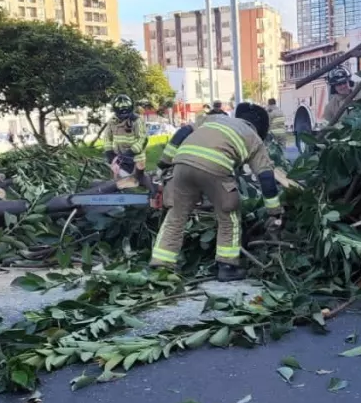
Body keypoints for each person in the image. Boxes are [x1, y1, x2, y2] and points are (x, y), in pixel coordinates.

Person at [150, 102, 282, 282]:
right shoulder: (254, 139)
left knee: (176, 215)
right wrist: (274, 212)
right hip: (216, 168)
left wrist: (164, 162)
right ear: (260, 129)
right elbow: (266, 177)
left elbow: (181, 133)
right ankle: (227, 267)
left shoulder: (214, 118)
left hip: (182, 164)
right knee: (230, 215)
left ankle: (161, 264)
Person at [103, 94, 147, 177]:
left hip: (136, 158)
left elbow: (143, 139)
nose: (123, 118)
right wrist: (109, 153)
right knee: (119, 182)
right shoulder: (112, 121)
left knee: (137, 181)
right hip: (119, 158)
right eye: (121, 115)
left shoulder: (137, 120)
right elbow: (107, 138)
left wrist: (130, 152)